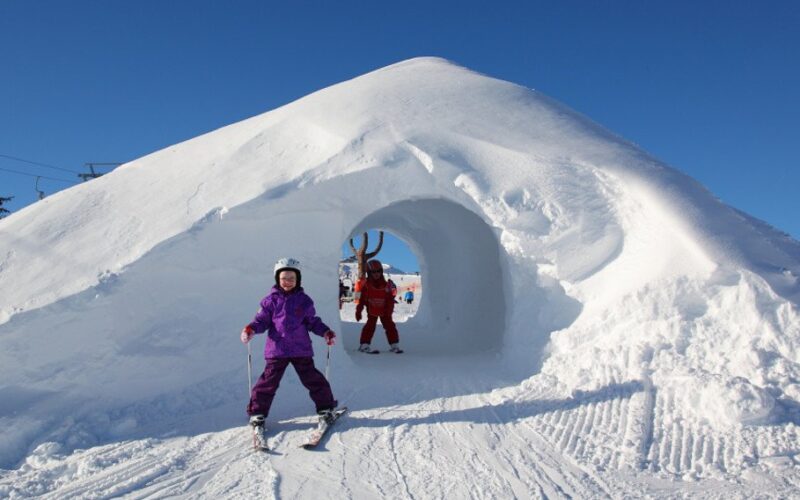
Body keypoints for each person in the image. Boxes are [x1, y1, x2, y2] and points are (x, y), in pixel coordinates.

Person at [241, 257, 338, 447]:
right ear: (277, 278)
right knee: (268, 383)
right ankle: (257, 413)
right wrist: (251, 329)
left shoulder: (304, 301)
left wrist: (325, 332)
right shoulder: (270, 301)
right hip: (277, 349)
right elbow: (261, 321)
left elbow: (312, 321)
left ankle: (326, 409)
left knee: (313, 379)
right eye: (284, 278)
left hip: (301, 349)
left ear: (298, 279)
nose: (288, 282)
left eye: (292, 278)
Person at [355, 259, 403, 353]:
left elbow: (390, 298)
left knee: (390, 326)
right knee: (370, 326)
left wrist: (389, 310)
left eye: (379, 271)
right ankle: (364, 345)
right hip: (372, 309)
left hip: (385, 311)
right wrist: (359, 311)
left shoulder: (387, 285)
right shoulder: (366, 285)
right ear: (369, 273)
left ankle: (394, 345)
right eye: (373, 272)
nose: (376, 274)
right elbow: (361, 300)